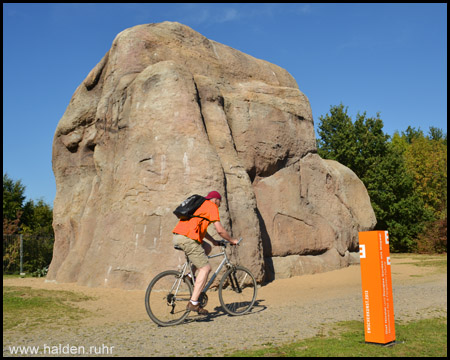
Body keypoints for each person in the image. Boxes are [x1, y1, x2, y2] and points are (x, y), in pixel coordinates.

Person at [172, 191, 239, 315]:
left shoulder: (201, 206)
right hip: (188, 239)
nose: (219, 205)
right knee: (206, 269)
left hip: (179, 236)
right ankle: (194, 302)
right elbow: (220, 230)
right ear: (215, 200)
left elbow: (202, 229)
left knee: (207, 247)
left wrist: (213, 241)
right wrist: (232, 240)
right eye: (219, 202)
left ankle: (190, 275)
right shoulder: (211, 206)